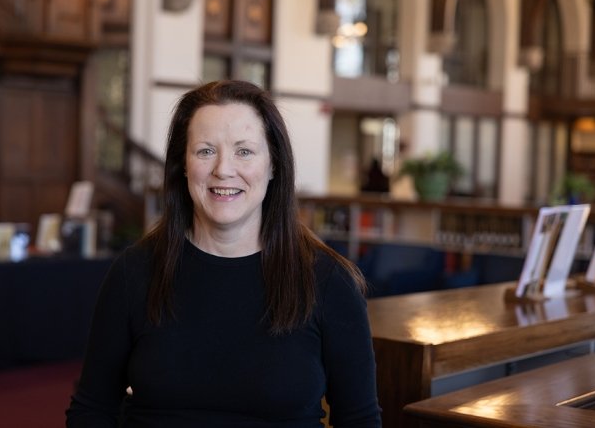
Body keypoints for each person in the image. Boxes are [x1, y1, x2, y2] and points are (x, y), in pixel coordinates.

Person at [66, 80, 382, 427]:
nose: (223, 169)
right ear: (183, 165)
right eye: (205, 151)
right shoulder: (134, 272)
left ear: (274, 164)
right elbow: (91, 410)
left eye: (244, 151)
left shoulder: (328, 281)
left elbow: (360, 420)